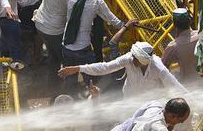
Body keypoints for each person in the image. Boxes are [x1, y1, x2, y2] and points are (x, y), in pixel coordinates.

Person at [62, 0, 127, 93]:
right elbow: (113, 20)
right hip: (83, 49)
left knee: (70, 75)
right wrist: (126, 25)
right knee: (91, 77)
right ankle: (91, 96)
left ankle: (71, 96)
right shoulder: (97, 2)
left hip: (66, 46)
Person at [33, 0, 86, 95]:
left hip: (40, 24)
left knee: (52, 56)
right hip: (54, 31)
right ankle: (62, 89)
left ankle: (52, 84)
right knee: (63, 58)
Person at [59, 41, 187, 98]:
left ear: (144, 62)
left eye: (135, 58)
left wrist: (193, 101)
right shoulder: (129, 58)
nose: (132, 59)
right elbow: (106, 67)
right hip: (129, 98)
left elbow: (175, 86)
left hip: (149, 104)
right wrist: (79, 68)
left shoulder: (159, 68)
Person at [161, 8, 199, 83]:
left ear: (174, 25)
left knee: (174, 74)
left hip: (188, 83)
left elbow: (162, 67)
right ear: (189, 22)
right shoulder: (202, 35)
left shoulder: (173, 46)